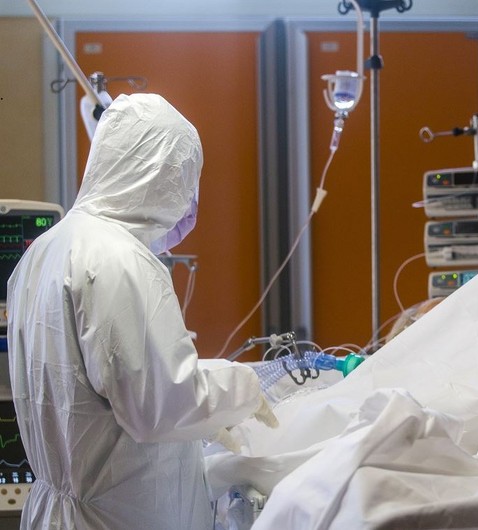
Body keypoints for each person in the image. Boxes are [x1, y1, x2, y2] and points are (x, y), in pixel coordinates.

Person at [6, 93, 278, 529]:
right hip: (118, 518)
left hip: (62, 510)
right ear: (160, 172)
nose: (190, 202)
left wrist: (205, 409)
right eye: (186, 180)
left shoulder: (44, 251)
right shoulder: (119, 259)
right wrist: (243, 387)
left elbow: (105, 386)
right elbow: (158, 404)